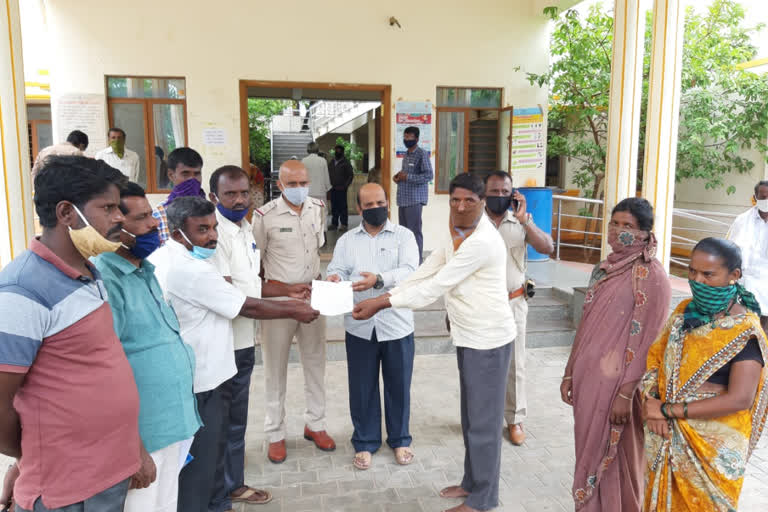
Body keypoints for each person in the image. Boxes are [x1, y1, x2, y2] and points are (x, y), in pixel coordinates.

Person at [353, 173, 516, 512]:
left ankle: (483, 499)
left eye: (469, 201)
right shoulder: (455, 232)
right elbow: (428, 269)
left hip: (489, 341)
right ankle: (472, 483)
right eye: (455, 199)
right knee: (472, 419)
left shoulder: (483, 241)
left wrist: (381, 302)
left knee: (484, 424)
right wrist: (390, 291)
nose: (459, 206)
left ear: (483, 202)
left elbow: (437, 285)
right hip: (469, 336)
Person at [0, 156, 147, 512]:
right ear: (67, 213)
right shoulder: (23, 290)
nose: (118, 218)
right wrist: (33, 456)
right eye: (108, 207)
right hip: (65, 490)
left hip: (106, 473)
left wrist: (132, 449)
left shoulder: (88, 272)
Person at [156, 196, 319, 512]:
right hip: (202, 380)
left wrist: (287, 294)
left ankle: (220, 502)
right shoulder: (189, 269)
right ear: (177, 233)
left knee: (212, 451)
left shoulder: (172, 257)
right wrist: (295, 310)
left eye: (214, 227)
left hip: (205, 374)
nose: (213, 236)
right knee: (199, 465)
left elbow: (248, 290)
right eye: (202, 230)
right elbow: (245, 304)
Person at [93, 182, 201, 512]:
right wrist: (132, 447)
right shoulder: (105, 278)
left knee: (166, 504)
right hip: (144, 436)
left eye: (152, 215)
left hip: (175, 423)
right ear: (114, 227)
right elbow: (105, 373)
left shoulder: (146, 270)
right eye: (141, 219)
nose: (154, 224)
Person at [560, 198, 671, 511]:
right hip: (588, 382)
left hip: (619, 388)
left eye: (628, 226)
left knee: (618, 457)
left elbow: (650, 342)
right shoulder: (603, 269)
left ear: (645, 232)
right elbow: (586, 324)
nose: (618, 231)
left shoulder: (653, 277)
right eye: (615, 223)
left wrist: (626, 392)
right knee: (587, 451)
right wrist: (570, 372)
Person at [642, 237, 768, 511]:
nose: (698, 280)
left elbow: (740, 399)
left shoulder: (745, 332)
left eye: (708, 274)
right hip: (664, 430)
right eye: (692, 271)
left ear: (734, 276)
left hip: (711, 450)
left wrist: (666, 410)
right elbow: (656, 359)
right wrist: (652, 403)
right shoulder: (683, 313)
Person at [209, 166, 306, 506]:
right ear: (213, 197)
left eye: (243, 193)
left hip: (243, 344)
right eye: (229, 194)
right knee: (219, 426)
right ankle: (218, 492)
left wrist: (288, 290)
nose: (238, 200)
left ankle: (233, 485)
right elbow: (232, 300)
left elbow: (252, 284)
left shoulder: (245, 228)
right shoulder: (213, 234)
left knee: (236, 422)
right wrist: (291, 309)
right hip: (222, 348)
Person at [326, 183, 419, 471]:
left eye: (380, 202)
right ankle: (365, 442)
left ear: (388, 203)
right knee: (362, 387)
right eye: (369, 205)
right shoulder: (346, 241)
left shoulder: (404, 236)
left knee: (398, 386)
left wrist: (378, 279)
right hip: (359, 326)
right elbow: (336, 270)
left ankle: (400, 439)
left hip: (397, 324)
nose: (376, 208)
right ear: (359, 209)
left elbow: (410, 271)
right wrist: (333, 278)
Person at [252, 160, 335, 463]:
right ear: (280, 185)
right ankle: (275, 433)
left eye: (303, 183)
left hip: (313, 296)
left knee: (316, 364)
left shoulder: (317, 208)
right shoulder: (264, 216)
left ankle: (316, 424)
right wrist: (277, 292)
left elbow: (317, 249)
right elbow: (255, 265)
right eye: (293, 184)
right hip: (279, 302)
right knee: (275, 369)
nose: (300, 189)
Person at [484, 171, 554, 446]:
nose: (499, 196)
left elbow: (547, 247)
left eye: (505, 192)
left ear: (513, 195)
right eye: (494, 191)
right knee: (480, 365)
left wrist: (525, 220)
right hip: (481, 304)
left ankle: (514, 420)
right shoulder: (474, 221)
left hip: (513, 302)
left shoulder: (521, 221)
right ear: (484, 192)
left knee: (515, 364)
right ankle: (483, 418)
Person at [727, 180, 768, 331]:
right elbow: (730, 250)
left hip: (766, 283)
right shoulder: (742, 220)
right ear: (755, 198)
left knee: (764, 328)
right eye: (763, 197)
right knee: (741, 324)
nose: (766, 201)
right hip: (745, 282)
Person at [394, 126, 433, 263]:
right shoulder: (406, 154)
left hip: (414, 200)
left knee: (414, 231)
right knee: (404, 233)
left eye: (410, 137)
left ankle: (417, 261)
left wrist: (408, 177)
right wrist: (398, 177)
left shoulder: (422, 154)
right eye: (405, 137)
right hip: (403, 199)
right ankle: (406, 259)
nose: (406, 140)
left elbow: (429, 175)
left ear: (416, 139)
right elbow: (406, 174)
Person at [152, 147, 205, 244]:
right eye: (185, 174)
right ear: (171, 175)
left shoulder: (211, 211)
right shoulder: (159, 215)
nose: (192, 180)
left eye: (197, 174)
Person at [328, 144, 354, 231]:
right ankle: (334, 224)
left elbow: (350, 176)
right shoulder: (331, 162)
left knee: (343, 207)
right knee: (334, 207)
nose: (337, 152)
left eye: (339, 150)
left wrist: (345, 186)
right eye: (336, 150)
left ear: (342, 152)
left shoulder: (346, 163)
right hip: (333, 188)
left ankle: (344, 224)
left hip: (341, 189)